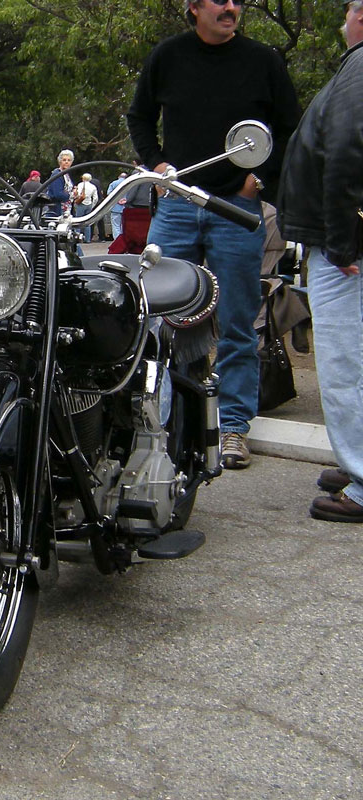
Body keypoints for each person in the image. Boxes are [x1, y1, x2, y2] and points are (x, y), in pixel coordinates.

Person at [127, 0, 300, 469]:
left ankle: (234, 427)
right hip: (178, 207)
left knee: (238, 319)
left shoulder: (264, 61)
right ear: (193, 7)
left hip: (236, 209)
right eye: (219, 1)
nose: (230, 7)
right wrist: (159, 166)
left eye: (236, 2)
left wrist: (258, 180)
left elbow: (289, 130)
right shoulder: (167, 56)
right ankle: (165, 422)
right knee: (159, 317)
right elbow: (139, 117)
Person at [277, 0, 363, 522]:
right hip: (347, 241)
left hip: (343, 250)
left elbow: (349, 146)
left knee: (345, 364)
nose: (344, 18)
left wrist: (341, 239)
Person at [47, 149, 75, 215]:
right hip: (57, 211)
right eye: (64, 160)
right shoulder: (57, 174)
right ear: (60, 161)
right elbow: (58, 194)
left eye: (69, 160)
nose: (66, 162)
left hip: (67, 210)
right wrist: (71, 194)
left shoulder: (66, 174)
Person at [73, 173, 98, 242]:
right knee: (87, 223)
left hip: (81, 203)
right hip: (89, 204)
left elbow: (78, 194)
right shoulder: (93, 186)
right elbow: (95, 198)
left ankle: (77, 237)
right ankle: (88, 239)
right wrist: (92, 205)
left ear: (83, 178)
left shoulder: (80, 184)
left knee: (78, 221)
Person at [107, 172, 127, 239]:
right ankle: (124, 239)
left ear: (119, 177)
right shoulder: (129, 183)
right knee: (124, 225)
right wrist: (125, 200)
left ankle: (117, 240)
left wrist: (117, 200)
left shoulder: (113, 183)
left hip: (115, 207)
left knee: (116, 225)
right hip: (126, 207)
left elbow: (109, 194)